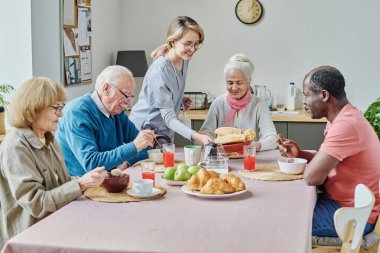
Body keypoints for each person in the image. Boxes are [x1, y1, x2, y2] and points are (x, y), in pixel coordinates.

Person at [0, 77, 106, 248]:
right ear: (33, 109)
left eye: (61, 107)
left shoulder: (48, 138)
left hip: (56, 223)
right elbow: (37, 203)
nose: (61, 114)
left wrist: (89, 181)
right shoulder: (16, 146)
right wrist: (80, 184)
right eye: (55, 108)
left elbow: (60, 184)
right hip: (29, 238)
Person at [276, 66, 380, 237]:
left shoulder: (346, 125)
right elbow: (332, 161)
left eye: (307, 95)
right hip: (343, 204)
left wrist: (309, 166)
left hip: (352, 215)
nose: (303, 101)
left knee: (280, 222)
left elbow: (312, 177)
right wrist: (300, 155)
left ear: (324, 95)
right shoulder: (342, 118)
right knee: (284, 205)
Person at [55, 65, 155, 176]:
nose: (129, 103)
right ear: (106, 89)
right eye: (126, 95)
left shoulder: (117, 112)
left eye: (131, 97)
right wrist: (134, 146)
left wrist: (126, 162)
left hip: (110, 180)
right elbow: (92, 164)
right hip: (81, 185)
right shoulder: (77, 113)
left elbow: (146, 147)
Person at [129, 16, 211, 146]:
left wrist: (179, 98)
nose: (193, 49)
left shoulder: (184, 60)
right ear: (173, 42)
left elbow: (165, 90)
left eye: (196, 44)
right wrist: (197, 136)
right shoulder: (160, 71)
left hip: (163, 133)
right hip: (144, 132)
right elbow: (168, 118)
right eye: (187, 43)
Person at [199, 54, 277, 151]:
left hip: (249, 157)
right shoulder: (217, 104)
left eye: (239, 83)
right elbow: (205, 133)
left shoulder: (259, 104)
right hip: (222, 158)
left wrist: (258, 145)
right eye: (230, 83)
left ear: (248, 81)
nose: (234, 88)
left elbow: (272, 138)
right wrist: (204, 137)